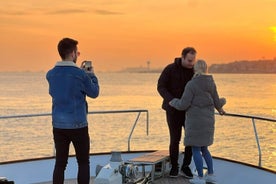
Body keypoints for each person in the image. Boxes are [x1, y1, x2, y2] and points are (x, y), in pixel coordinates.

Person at [46, 37, 99, 184]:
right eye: (78, 52)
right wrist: (91, 75)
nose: (78, 55)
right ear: (73, 53)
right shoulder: (80, 74)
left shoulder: (50, 74)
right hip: (78, 125)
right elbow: (94, 92)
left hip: (58, 125)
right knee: (83, 162)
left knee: (60, 164)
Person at [169, 59, 226, 184]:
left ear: (195, 69)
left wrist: (173, 102)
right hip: (208, 122)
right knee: (205, 149)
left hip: (195, 122)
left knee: (196, 150)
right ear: (206, 69)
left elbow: (183, 104)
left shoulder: (191, 84)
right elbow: (217, 102)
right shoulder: (211, 83)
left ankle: (200, 177)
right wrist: (222, 106)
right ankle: (210, 174)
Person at [157, 47, 196, 178]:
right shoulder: (170, 69)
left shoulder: (195, 71)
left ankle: (185, 167)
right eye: (189, 60)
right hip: (172, 110)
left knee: (190, 139)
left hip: (189, 111)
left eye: (193, 60)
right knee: (175, 139)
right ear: (183, 57)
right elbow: (160, 86)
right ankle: (174, 167)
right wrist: (171, 100)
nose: (191, 63)